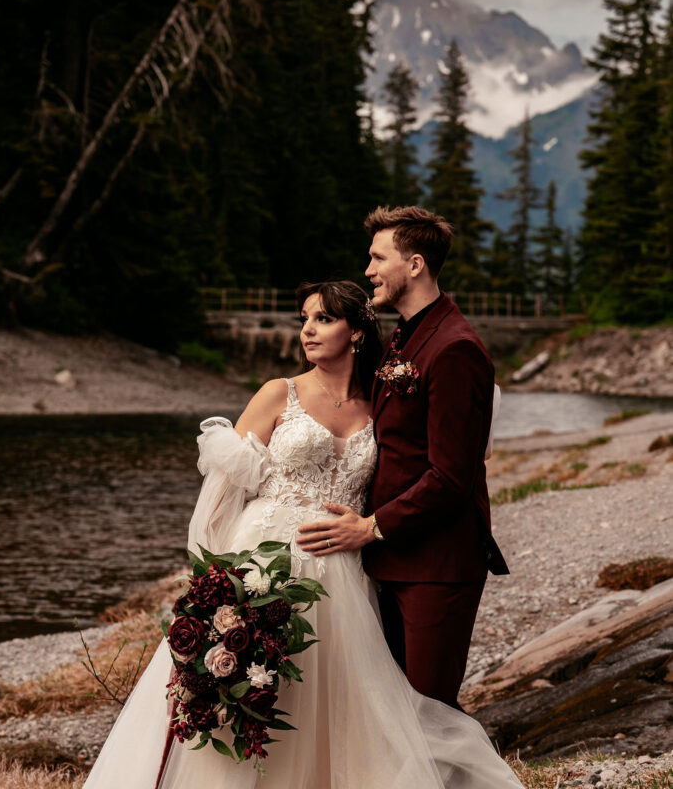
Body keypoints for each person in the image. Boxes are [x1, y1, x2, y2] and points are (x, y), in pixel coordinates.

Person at [83, 278, 521, 789]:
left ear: (357, 332)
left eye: (324, 319)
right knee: (249, 684)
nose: (308, 330)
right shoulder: (278, 393)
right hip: (262, 561)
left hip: (343, 574)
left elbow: (455, 418)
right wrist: (218, 579)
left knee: (334, 697)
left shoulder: (379, 404)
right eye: (305, 320)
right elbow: (224, 492)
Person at [296, 206, 507, 710]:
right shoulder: (402, 338)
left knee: (430, 713)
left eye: (377, 257)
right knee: (392, 718)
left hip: (437, 564)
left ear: (414, 265)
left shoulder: (456, 348)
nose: (367, 269)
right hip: (390, 561)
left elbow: (452, 476)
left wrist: (369, 527)